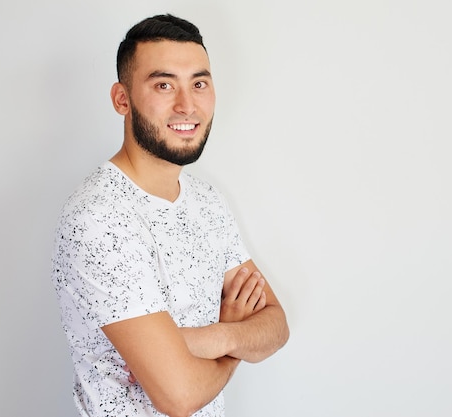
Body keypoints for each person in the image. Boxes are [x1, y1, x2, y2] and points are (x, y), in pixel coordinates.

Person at [51, 14, 289, 417]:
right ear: (121, 99)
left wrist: (204, 339)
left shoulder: (207, 200)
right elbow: (178, 397)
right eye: (164, 84)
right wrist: (235, 348)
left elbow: (276, 325)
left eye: (198, 83)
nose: (187, 105)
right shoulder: (99, 217)